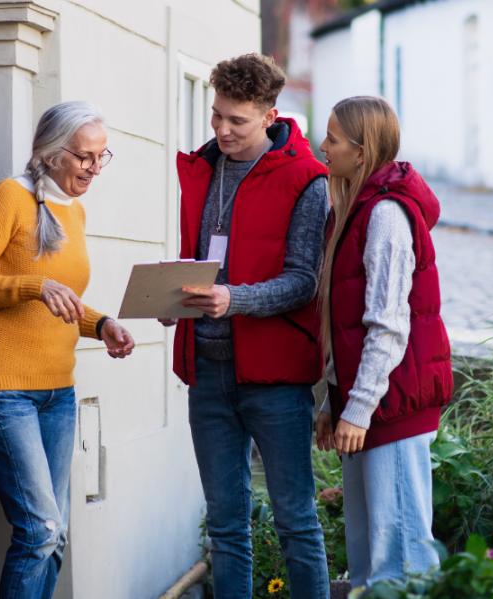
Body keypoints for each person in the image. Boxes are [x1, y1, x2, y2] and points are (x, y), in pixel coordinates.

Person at [0, 101, 135, 599]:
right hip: (2, 388)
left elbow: (63, 297)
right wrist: (33, 286)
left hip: (57, 392)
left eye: (102, 157)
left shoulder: (72, 210)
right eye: (84, 157)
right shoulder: (7, 198)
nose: (94, 169)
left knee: (55, 537)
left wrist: (103, 324)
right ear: (52, 154)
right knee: (40, 532)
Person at [162, 53, 330, 598]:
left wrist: (232, 299)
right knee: (226, 526)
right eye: (217, 116)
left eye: (237, 120)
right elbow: (201, 260)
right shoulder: (203, 166)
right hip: (207, 375)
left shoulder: (306, 179)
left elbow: (303, 281)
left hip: (275, 381)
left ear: (270, 115)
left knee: (296, 521)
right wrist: (176, 299)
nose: (223, 129)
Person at [315, 96, 453, 589]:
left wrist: (359, 407)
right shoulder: (353, 208)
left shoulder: (386, 216)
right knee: (371, 561)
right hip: (370, 406)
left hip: (390, 409)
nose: (322, 146)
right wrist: (336, 400)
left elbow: (388, 324)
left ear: (361, 148)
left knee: (401, 564)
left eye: (332, 138)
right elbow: (340, 320)